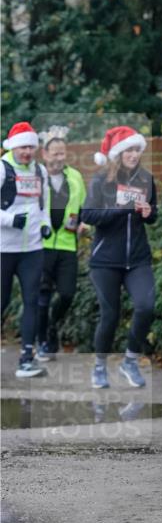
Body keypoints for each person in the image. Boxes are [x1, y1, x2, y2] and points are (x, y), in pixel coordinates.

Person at [81, 126, 158, 389]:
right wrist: (119, 210)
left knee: (146, 306)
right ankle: (100, 366)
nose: (134, 154)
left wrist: (148, 212)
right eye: (129, 150)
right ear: (119, 153)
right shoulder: (102, 181)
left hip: (137, 258)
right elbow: (88, 216)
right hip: (105, 260)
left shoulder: (146, 179)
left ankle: (130, 360)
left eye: (138, 150)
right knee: (110, 316)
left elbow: (154, 214)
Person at [0, 121, 51, 377]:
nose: (27, 152)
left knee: (32, 301)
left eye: (32, 147)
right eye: (23, 148)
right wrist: (9, 220)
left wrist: (46, 225)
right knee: (2, 301)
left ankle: (26, 360)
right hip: (3, 248)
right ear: (14, 147)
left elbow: (44, 204)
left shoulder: (40, 171)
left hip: (32, 248)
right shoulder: (2, 169)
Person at [35, 127, 87, 361]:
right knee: (42, 296)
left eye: (62, 153)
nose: (60, 157)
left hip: (67, 245)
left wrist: (85, 224)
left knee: (66, 294)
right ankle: (44, 342)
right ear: (44, 154)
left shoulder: (74, 176)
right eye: (55, 153)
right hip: (41, 245)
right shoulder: (36, 177)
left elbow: (85, 208)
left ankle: (52, 326)